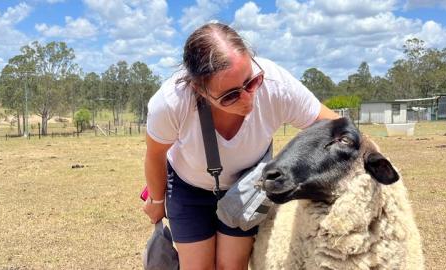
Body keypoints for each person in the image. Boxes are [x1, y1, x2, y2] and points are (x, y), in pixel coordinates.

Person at [142, 22, 338, 270]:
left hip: (247, 186)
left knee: (231, 267)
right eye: (230, 95)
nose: (248, 99)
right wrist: (157, 202)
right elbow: (156, 154)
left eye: (252, 81)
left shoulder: (276, 85)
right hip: (188, 188)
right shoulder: (171, 102)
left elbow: (336, 129)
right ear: (198, 89)